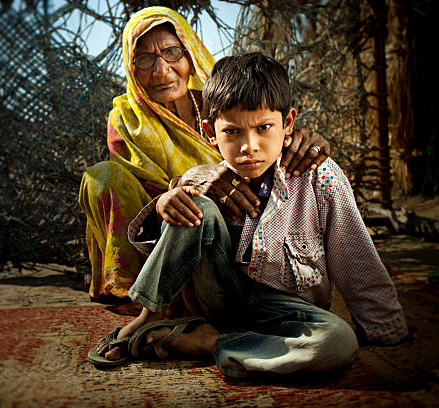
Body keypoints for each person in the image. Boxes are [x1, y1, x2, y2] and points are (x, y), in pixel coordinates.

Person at [88, 53, 408, 378]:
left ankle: (212, 343)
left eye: (264, 128)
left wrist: (383, 327)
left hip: (287, 312)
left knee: (338, 342)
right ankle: (151, 316)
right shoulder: (207, 179)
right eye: (232, 132)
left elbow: (354, 255)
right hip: (218, 297)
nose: (249, 146)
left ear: (289, 123)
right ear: (210, 132)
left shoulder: (319, 177)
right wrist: (174, 197)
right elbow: (176, 233)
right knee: (193, 203)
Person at [78, 6, 330, 300]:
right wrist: (187, 183)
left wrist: (299, 140)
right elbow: (136, 194)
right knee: (101, 176)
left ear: (190, 52)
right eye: (144, 60)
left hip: (231, 222)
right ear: (131, 68)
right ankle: (140, 292)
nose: (161, 71)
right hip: (158, 227)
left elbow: (262, 138)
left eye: (172, 53)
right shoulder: (125, 118)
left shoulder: (223, 103)